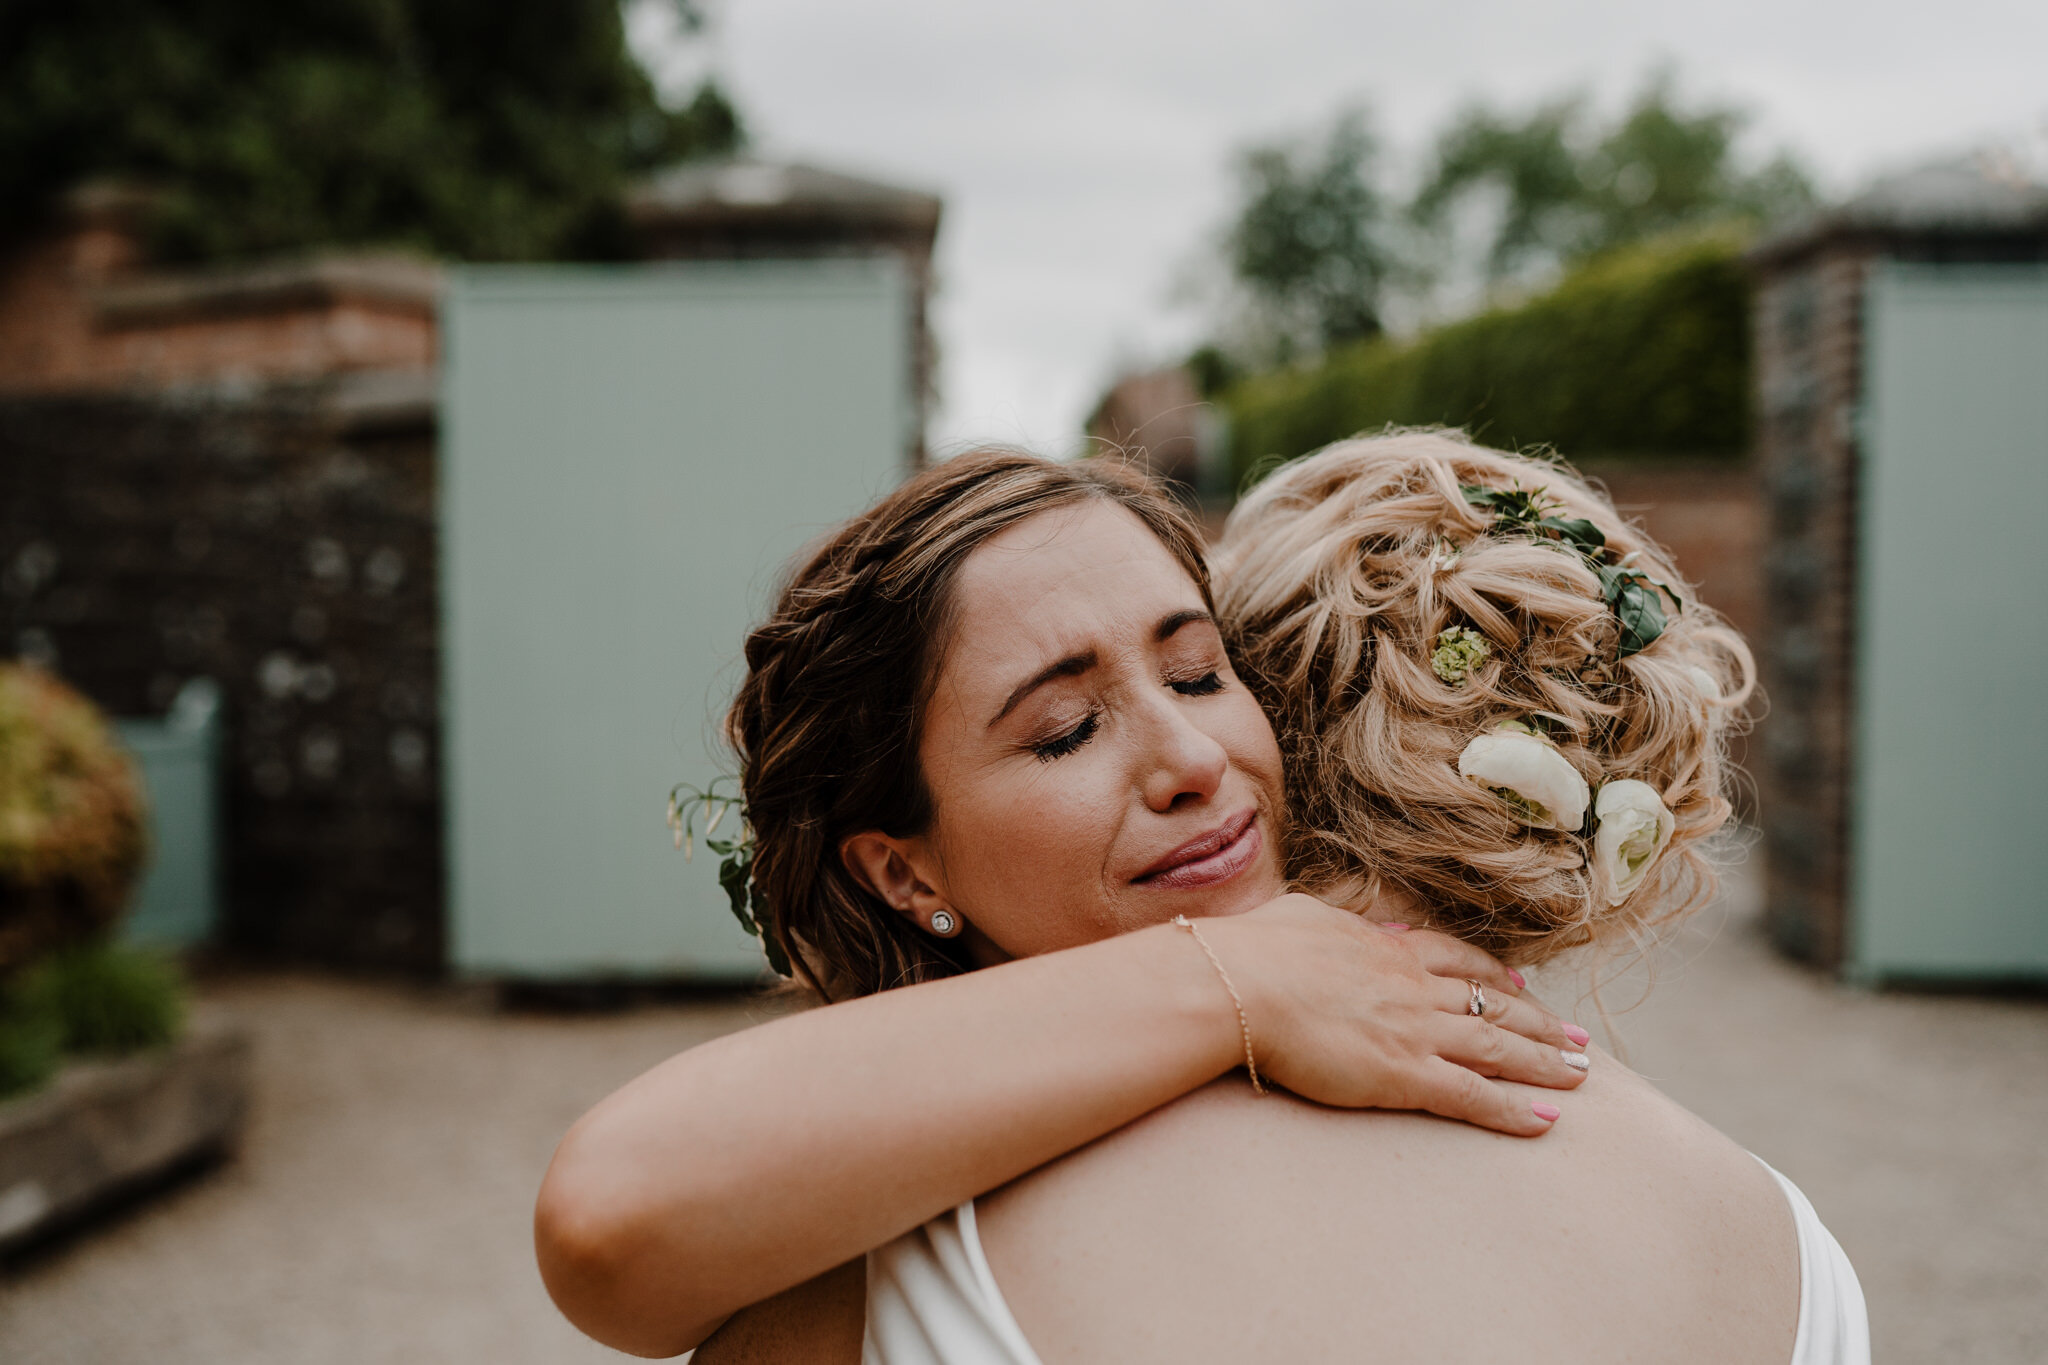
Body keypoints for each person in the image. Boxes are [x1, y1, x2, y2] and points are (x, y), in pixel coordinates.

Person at [535, 435, 1866, 1362]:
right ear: (902, 867)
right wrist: (1247, 976)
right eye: (1064, 731)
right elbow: (605, 1214)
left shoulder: (878, 1276)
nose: (1188, 760)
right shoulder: (1789, 1247)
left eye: (1196, 672)